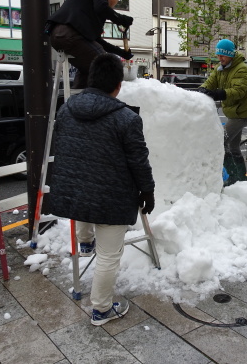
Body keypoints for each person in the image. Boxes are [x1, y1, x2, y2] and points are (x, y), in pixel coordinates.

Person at [50, 53, 155, 326]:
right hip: (111, 197)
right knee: (109, 256)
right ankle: (101, 309)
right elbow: (139, 161)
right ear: (118, 85)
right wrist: (147, 191)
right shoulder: (126, 118)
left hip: (75, 190)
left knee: (85, 196)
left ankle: (85, 241)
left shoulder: (67, 109)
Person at [46, 0, 134, 88]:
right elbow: (101, 7)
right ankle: (101, 102)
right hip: (68, 32)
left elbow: (96, 41)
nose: (114, 6)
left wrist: (121, 52)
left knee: (89, 70)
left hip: (61, 36)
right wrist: (120, 19)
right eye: (117, 2)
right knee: (105, 64)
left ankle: (78, 102)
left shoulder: (91, 12)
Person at [198, 39, 247, 185]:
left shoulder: (241, 69)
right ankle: (241, 177)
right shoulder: (221, 68)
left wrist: (219, 94)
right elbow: (210, 82)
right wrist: (201, 90)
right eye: (218, 55)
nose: (220, 58)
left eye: (223, 56)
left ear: (230, 55)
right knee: (233, 147)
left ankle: (232, 175)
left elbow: (239, 91)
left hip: (242, 113)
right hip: (232, 112)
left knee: (221, 141)